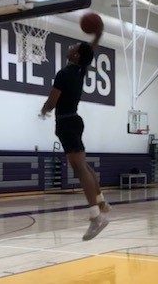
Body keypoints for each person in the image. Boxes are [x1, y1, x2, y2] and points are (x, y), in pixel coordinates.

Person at [41, 29, 111, 241]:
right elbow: (91, 50)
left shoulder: (64, 74)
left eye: (74, 47)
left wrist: (44, 109)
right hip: (74, 121)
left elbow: (52, 102)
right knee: (85, 166)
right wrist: (98, 35)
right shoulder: (81, 70)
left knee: (80, 170)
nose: (70, 47)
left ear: (76, 56)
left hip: (66, 123)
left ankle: (96, 217)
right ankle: (101, 202)